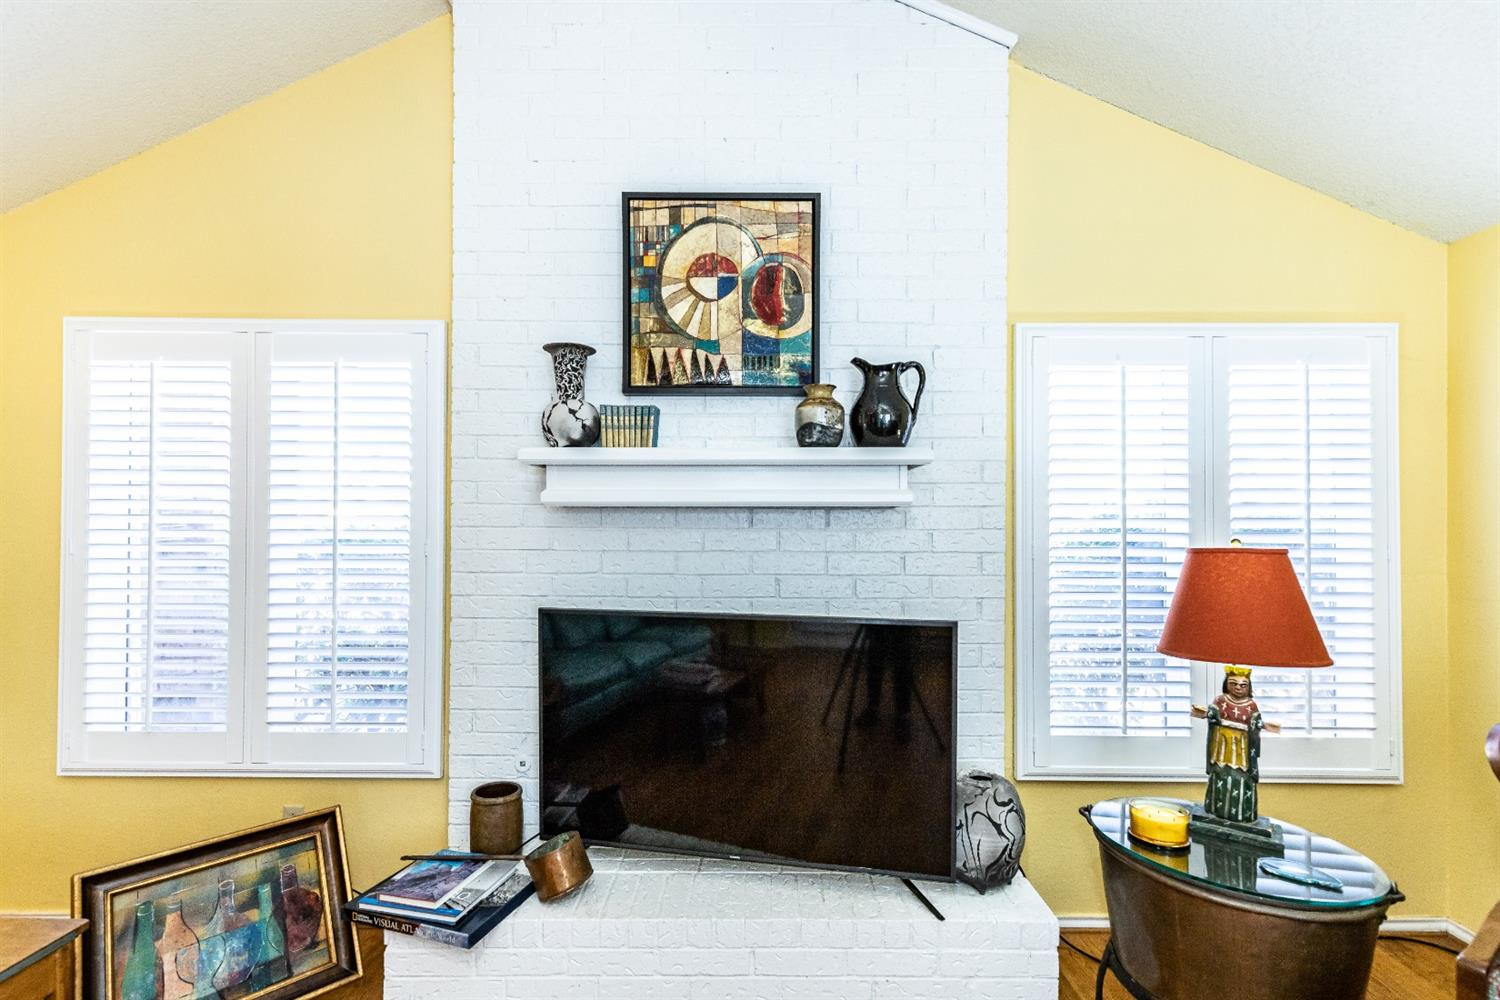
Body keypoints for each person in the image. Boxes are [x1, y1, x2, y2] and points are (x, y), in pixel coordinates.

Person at [1190, 666, 1281, 823]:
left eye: (1243, 685)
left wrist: (1262, 725)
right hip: (1221, 748)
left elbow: (1255, 722)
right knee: (1220, 776)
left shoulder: (1251, 705)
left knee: (1242, 779)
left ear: (1249, 686)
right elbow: (1213, 715)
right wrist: (1206, 714)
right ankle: (1216, 810)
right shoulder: (1220, 700)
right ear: (1227, 684)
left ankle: (1241, 815)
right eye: (1234, 683)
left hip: (1243, 751)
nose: (1238, 687)